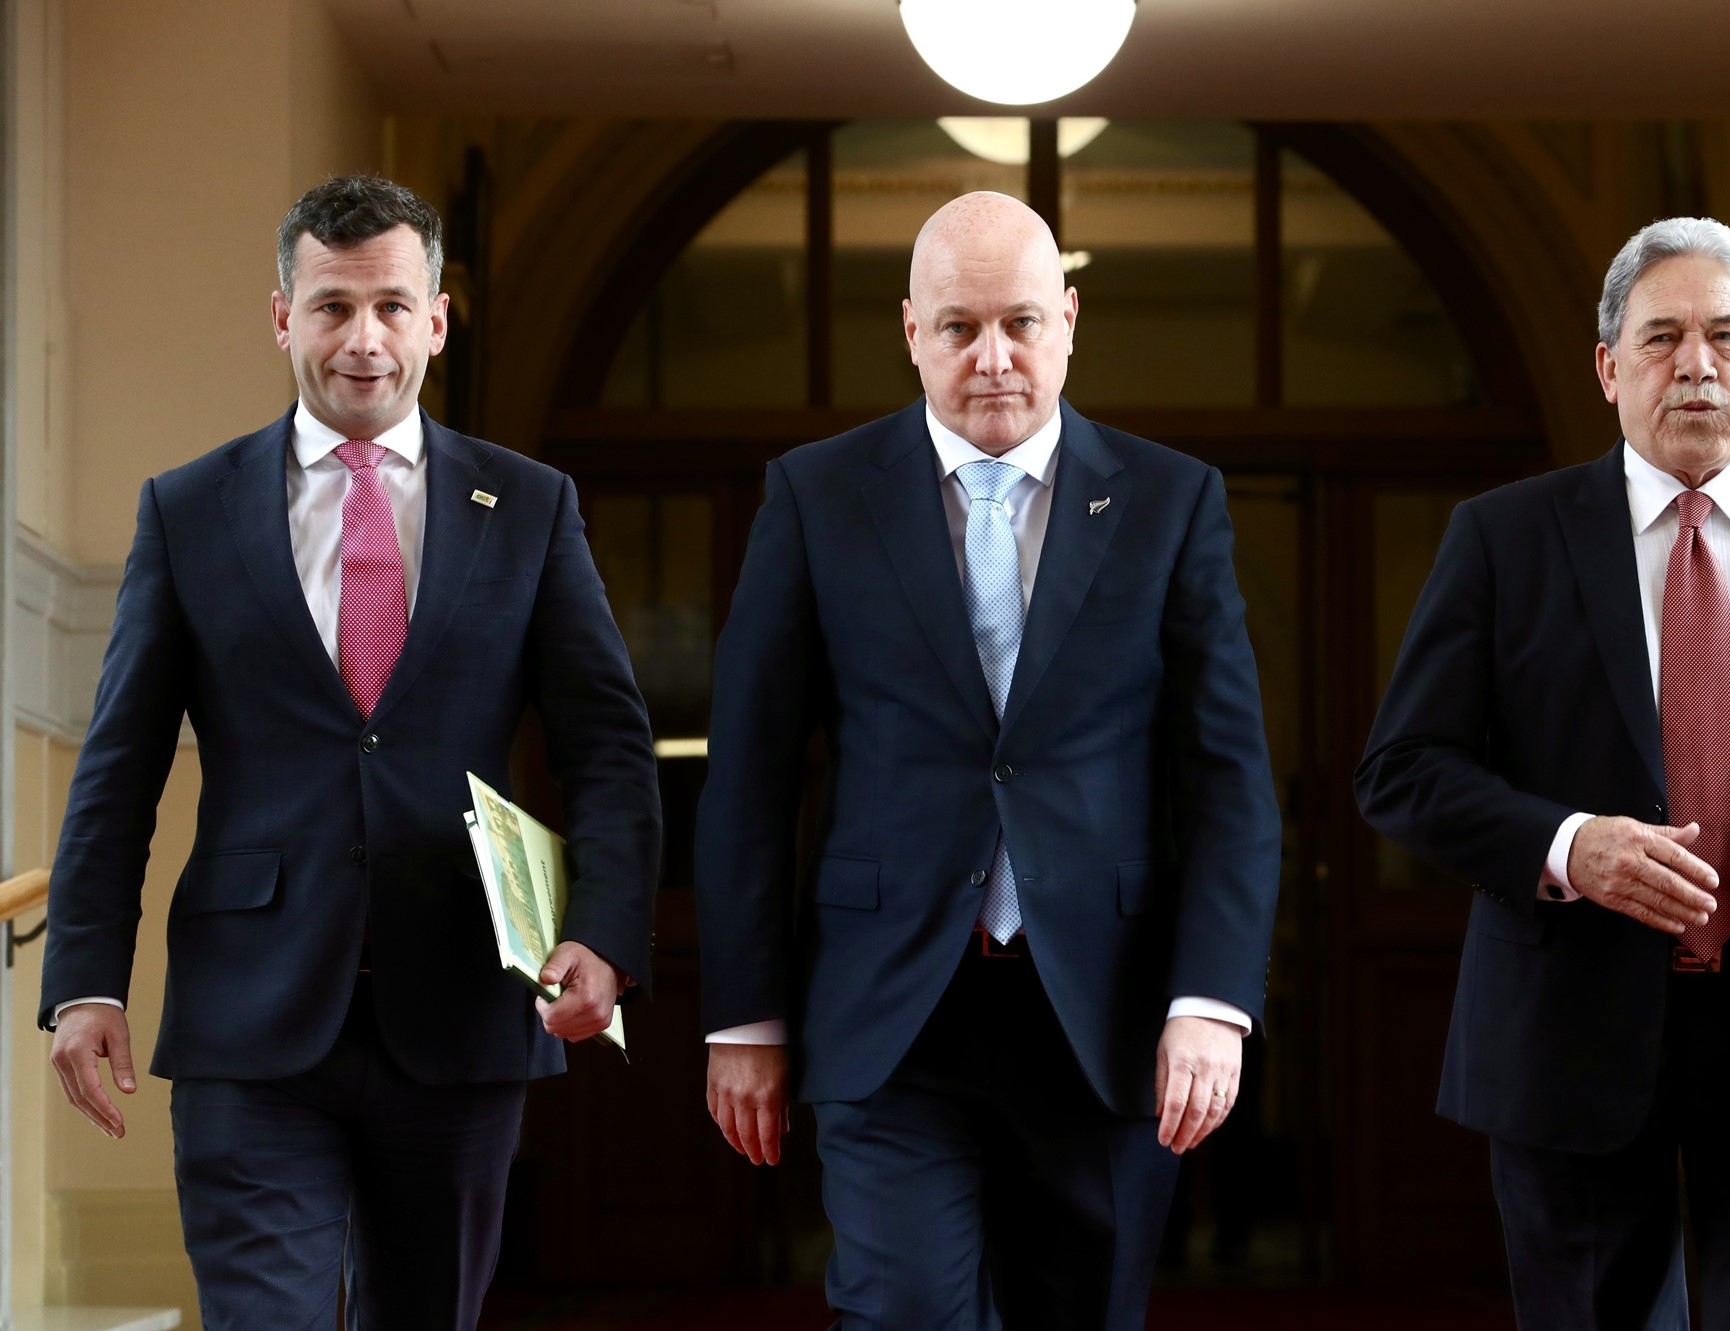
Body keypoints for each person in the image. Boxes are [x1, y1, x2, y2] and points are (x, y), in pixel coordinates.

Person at [38, 175, 661, 1331]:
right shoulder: (188, 509)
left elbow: (608, 747)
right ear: (282, 316)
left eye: (389, 305)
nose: (361, 339)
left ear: (435, 319)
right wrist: (86, 976)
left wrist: (606, 935)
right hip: (250, 1017)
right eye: (331, 306)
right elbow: (118, 761)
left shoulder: (527, 506)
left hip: (463, 1006)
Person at [1355, 217, 1730, 1329]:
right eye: (1661, 337)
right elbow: (1401, 769)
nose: (1695, 364)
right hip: (1569, 1027)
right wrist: (1565, 846)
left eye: (1725, 337)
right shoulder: (1502, 537)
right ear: (1607, 367)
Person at [695, 191, 1282, 1330]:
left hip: (1103, 1012)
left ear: (1068, 319)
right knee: (904, 1307)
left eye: (1019, 321)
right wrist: (745, 1015)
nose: (993, 357)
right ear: (908, 330)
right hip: (889, 1006)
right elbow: (752, 774)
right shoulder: (817, 496)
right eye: (958, 328)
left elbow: (1227, 776)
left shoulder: (1170, 501)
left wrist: (1209, 997)